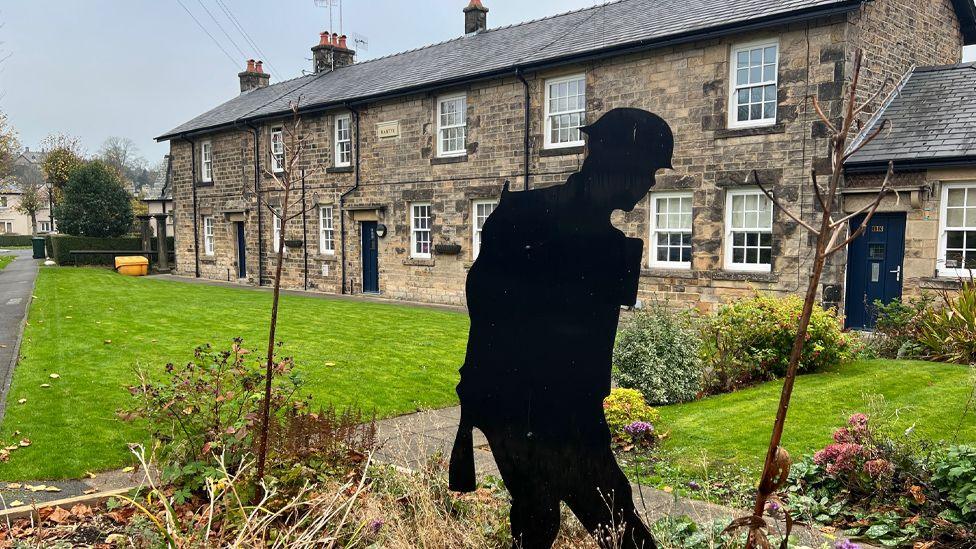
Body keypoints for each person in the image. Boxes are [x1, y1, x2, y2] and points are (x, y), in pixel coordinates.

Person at [449, 108, 675, 549]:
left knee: (560, 519)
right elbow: (487, 300)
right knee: (585, 518)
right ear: (618, 163)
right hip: (520, 406)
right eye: (647, 170)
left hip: (570, 407)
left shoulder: (608, 243)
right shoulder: (527, 213)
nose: (650, 184)